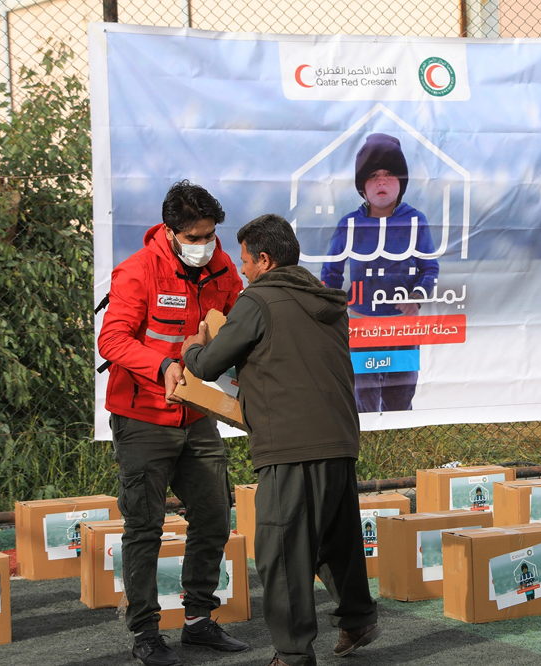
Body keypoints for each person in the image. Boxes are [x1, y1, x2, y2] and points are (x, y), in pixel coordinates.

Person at [183, 214, 380, 665]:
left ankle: (291, 654)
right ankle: (358, 618)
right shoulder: (323, 299)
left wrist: (191, 348)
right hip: (339, 439)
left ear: (266, 260)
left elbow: (209, 364)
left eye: (247, 261)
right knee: (336, 537)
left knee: (280, 550)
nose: (244, 270)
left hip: (290, 444)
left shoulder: (259, 299)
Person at [97, 180, 248, 666]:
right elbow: (112, 341)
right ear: (171, 231)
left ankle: (199, 620)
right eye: (196, 237)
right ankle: (144, 631)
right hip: (143, 416)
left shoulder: (225, 270)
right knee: (145, 525)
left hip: (199, 414)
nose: (206, 246)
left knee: (214, 514)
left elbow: (238, 332)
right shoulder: (137, 271)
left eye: (211, 236)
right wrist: (162, 366)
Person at [321, 133, 440, 413]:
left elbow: (429, 268)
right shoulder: (349, 224)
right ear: (362, 185)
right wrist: (335, 312)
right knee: (362, 399)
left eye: (389, 174)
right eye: (373, 175)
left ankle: (399, 448)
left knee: (401, 395)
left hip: (403, 327)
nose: (382, 181)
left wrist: (416, 296)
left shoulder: (415, 220)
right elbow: (331, 275)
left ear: (402, 182)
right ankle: (367, 450)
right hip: (361, 327)